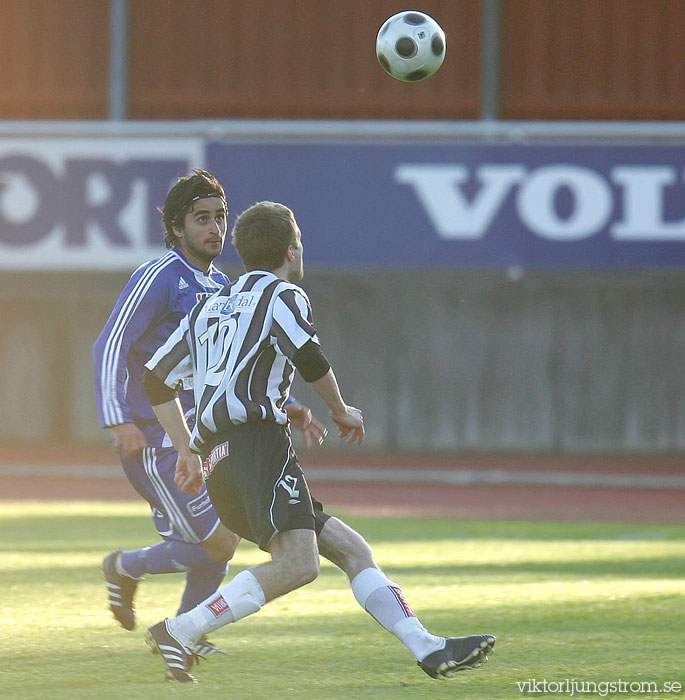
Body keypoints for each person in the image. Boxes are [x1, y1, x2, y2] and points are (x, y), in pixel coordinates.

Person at [141, 200, 496, 683]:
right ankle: (180, 629)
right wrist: (339, 408)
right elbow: (307, 354)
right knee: (298, 565)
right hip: (256, 447)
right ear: (291, 249)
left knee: (351, 549)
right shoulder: (283, 296)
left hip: (220, 463)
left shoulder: (208, 307)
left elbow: (157, 378)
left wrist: (185, 447)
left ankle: (426, 646)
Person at [92, 172, 325, 657]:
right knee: (218, 541)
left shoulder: (225, 287)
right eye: (202, 219)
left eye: (220, 217)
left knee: (227, 535)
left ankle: (182, 634)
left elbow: (232, 369)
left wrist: (293, 406)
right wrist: (117, 416)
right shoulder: (158, 276)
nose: (214, 228)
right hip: (156, 439)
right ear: (177, 228)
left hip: (199, 441)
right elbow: (111, 343)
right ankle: (125, 569)